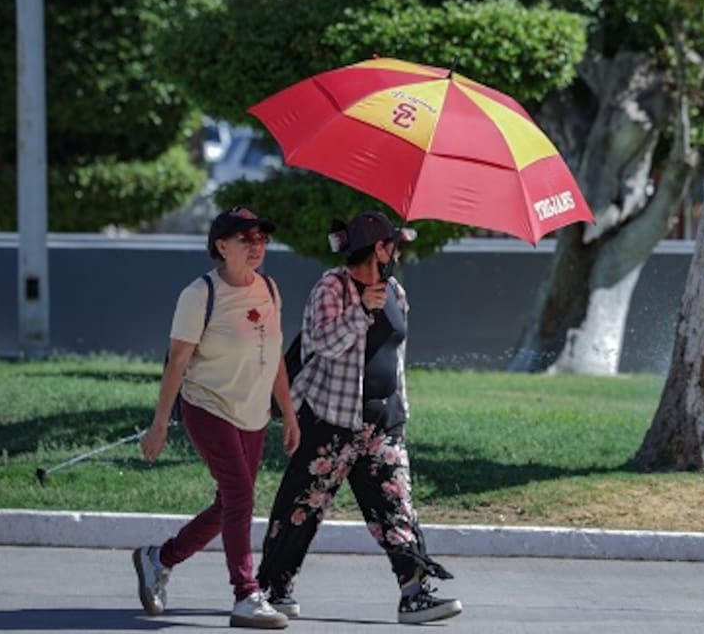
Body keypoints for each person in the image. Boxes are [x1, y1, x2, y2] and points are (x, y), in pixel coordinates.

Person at [256, 210, 463, 625]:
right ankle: (274, 589)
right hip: (331, 421)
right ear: (379, 248)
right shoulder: (331, 287)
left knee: (396, 507)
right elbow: (321, 343)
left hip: (383, 423)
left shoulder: (396, 292)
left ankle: (415, 592)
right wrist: (361, 311)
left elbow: (395, 355)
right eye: (394, 245)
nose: (399, 252)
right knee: (302, 507)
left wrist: (400, 409)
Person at [133, 207, 300, 629]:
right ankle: (246, 594)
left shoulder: (270, 289)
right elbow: (176, 361)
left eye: (262, 238)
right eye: (246, 239)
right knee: (241, 497)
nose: (256, 246)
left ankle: (159, 558)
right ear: (221, 246)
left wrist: (290, 415)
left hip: (254, 413)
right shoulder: (199, 294)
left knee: (228, 503)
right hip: (208, 407)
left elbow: (275, 357)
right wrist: (159, 426)